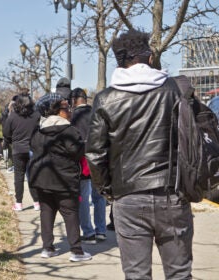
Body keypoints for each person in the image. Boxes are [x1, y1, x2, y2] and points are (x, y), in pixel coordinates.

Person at [86, 29, 193, 279]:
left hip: (128, 197)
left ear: (119, 61)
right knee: (179, 273)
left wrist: (107, 191)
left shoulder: (105, 99)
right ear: (150, 56)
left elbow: (95, 153)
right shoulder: (173, 90)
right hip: (172, 192)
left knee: (136, 275)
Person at [29, 93, 92, 262]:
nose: (70, 111)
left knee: (46, 212)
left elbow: (33, 146)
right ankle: (76, 251)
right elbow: (77, 152)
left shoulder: (38, 130)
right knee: (70, 213)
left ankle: (47, 248)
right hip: (65, 180)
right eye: (66, 107)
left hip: (41, 179)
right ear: (56, 111)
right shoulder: (69, 130)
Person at [70, 87, 107, 243]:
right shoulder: (96, 114)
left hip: (81, 161)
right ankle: (101, 230)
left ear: (73, 101)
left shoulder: (73, 118)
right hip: (98, 159)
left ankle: (88, 232)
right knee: (99, 196)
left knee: (83, 197)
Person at [3, 92, 40, 211]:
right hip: (32, 148)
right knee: (33, 176)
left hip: (18, 149)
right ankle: (37, 202)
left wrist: (10, 141)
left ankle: (19, 203)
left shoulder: (13, 116)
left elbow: (6, 133)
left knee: (18, 177)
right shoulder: (36, 116)